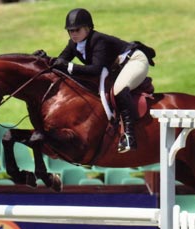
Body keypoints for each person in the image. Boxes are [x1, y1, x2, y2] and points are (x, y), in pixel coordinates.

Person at [53, 8, 155, 153]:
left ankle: (129, 136)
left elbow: (95, 70)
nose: (73, 34)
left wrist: (68, 66)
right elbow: (61, 61)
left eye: (77, 30)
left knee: (119, 90)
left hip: (134, 60)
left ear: (88, 28)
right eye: (70, 31)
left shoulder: (97, 40)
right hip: (118, 66)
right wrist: (43, 59)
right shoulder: (73, 44)